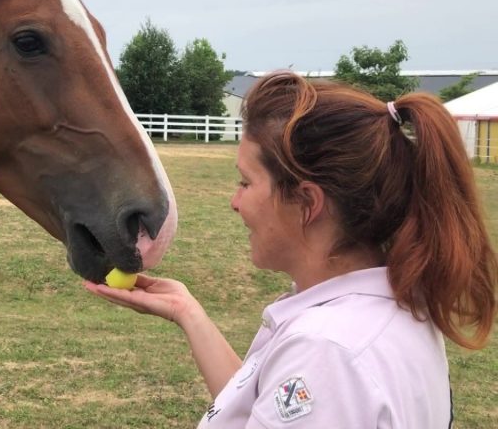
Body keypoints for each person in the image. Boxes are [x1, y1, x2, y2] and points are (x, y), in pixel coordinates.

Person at [85, 71, 497, 428]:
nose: (234, 202)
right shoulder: (392, 308)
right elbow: (259, 411)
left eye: (245, 183)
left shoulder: (329, 354)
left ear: (307, 203)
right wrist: (188, 313)